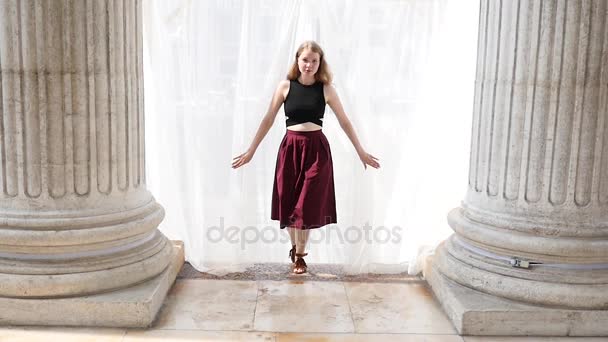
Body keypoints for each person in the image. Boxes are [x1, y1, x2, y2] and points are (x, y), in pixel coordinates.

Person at [232, 40, 380, 274]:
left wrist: (360, 151)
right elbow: (268, 119)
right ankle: (294, 248)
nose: (309, 64)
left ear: (320, 63)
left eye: (314, 61)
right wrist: (251, 151)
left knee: (306, 205)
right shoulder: (285, 87)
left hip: (316, 150)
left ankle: (300, 256)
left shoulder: (327, 89)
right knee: (290, 204)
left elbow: (344, 121)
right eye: (305, 60)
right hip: (290, 149)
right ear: (297, 61)